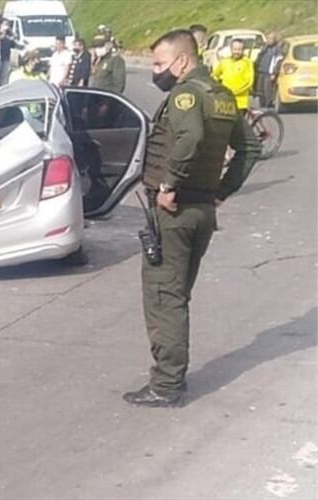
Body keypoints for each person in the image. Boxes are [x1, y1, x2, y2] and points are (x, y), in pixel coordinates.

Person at [123, 29, 260, 408]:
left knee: (164, 297)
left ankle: (166, 385)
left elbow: (190, 138)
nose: (156, 71)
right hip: (202, 210)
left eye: (160, 64)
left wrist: (168, 185)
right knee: (178, 293)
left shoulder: (186, 95)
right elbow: (250, 145)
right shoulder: (222, 96)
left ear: (182, 61)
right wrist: (222, 189)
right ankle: (171, 377)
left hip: (176, 210)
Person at [212, 39, 255, 112]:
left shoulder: (247, 62)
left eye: (239, 49)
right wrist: (216, 86)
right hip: (226, 99)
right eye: (235, 49)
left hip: (240, 101)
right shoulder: (224, 62)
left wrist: (235, 92)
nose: (237, 52)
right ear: (231, 49)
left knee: (238, 122)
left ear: (243, 50)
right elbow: (215, 75)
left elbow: (249, 82)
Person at [254, 32, 283, 109]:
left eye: (271, 38)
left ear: (275, 40)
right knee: (260, 89)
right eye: (268, 38)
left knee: (267, 90)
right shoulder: (265, 47)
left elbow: (278, 61)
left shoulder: (277, 49)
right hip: (261, 70)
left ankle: (268, 105)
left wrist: (274, 73)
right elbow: (259, 57)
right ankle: (262, 104)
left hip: (269, 72)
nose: (269, 40)